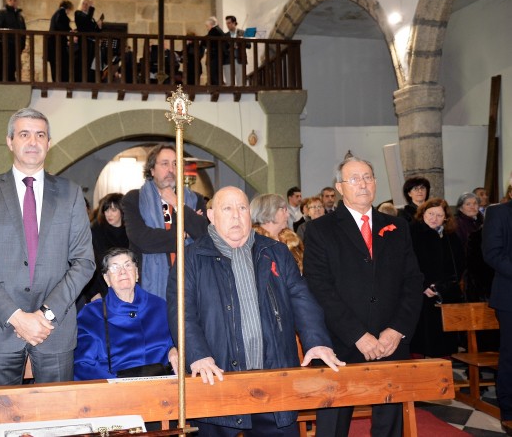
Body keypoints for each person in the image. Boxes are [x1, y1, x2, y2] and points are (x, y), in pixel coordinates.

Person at [167, 186, 343, 436]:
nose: (236, 215)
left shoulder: (275, 251)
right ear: (211, 215)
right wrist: (198, 355)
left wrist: (316, 341)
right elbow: (181, 311)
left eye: (242, 208)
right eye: (227, 208)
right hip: (217, 375)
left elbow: (301, 297)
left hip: (274, 376)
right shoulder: (191, 258)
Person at [0, 108, 95, 386]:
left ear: (49, 143)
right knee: (0, 418)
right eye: (24, 134)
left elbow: (84, 262)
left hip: (54, 327)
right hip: (0, 325)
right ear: (10, 141)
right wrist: (17, 317)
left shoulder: (70, 192)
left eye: (40, 135)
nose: (33, 142)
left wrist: (45, 315)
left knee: (59, 420)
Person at [303, 156, 423, 437]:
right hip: (341, 344)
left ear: (376, 183)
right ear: (340, 187)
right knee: (333, 425)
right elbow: (319, 288)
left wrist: (396, 330)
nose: (363, 184)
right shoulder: (321, 229)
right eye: (354, 178)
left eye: (368, 177)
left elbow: (412, 281)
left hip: (389, 343)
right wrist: (357, 334)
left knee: (389, 424)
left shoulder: (397, 227)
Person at [74, 248, 177, 380]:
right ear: (107, 280)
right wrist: (116, 386)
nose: (123, 272)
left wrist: (174, 349)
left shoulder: (159, 306)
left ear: (137, 273)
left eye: (128, 265)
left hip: (161, 385)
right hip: (114, 390)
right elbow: (82, 364)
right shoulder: (91, 314)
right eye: (115, 268)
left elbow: (176, 340)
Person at [122, 144, 208, 299]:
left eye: (175, 164)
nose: (171, 169)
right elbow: (143, 240)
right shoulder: (134, 199)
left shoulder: (195, 199)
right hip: (147, 287)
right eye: (165, 163)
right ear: (152, 170)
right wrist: (185, 233)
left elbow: (204, 234)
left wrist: (177, 203)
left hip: (190, 285)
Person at [409, 198, 464, 358]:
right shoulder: (413, 233)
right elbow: (408, 263)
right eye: (430, 214)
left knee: (444, 343)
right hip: (419, 294)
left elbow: (458, 265)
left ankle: (443, 377)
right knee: (420, 340)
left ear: (446, 218)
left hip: (445, 294)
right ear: (422, 214)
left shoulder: (450, 236)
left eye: (439, 215)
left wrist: (441, 286)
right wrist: (424, 286)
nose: (434, 218)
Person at [482, 192, 512, 433]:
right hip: (510, 297)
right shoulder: (499, 212)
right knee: (511, 355)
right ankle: (510, 411)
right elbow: (492, 253)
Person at [78, 193, 129, 307]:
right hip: (102, 290)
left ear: (122, 211)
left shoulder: (131, 233)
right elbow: (88, 264)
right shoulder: (95, 232)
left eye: (114, 210)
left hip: (127, 288)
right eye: (106, 210)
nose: (109, 214)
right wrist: (93, 292)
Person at [0, 0, 27, 82]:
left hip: (16, 45)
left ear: (17, 2)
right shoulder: (2, 13)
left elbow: (23, 31)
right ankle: (6, 80)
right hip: (5, 45)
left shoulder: (20, 16)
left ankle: (12, 79)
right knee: (6, 64)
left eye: (14, 0)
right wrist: (3, 40)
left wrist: (22, 44)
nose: (12, 2)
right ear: (7, 1)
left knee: (14, 65)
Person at [74, 0, 103, 83]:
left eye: (87, 4)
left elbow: (95, 31)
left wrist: (99, 26)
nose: (86, 6)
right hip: (84, 42)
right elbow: (85, 25)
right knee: (84, 62)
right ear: (81, 4)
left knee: (92, 64)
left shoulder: (90, 18)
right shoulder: (78, 13)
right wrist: (91, 8)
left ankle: (90, 81)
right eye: (84, 3)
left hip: (92, 42)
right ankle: (82, 82)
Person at [48, 0, 75, 82]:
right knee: (60, 66)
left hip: (54, 44)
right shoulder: (61, 11)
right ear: (68, 8)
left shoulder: (58, 12)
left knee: (57, 67)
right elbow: (60, 24)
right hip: (56, 45)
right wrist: (69, 31)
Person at [224, 15, 249, 86]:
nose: (227, 25)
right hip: (228, 60)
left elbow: (249, 45)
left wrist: (242, 41)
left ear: (234, 23)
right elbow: (223, 49)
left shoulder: (242, 32)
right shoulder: (225, 35)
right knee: (229, 83)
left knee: (240, 82)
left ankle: (240, 95)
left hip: (240, 59)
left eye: (229, 23)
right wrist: (231, 48)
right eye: (226, 23)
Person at [204, 16, 228, 86]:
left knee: (213, 72)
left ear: (211, 25)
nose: (207, 28)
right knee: (215, 72)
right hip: (216, 55)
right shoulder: (217, 30)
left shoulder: (214, 30)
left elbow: (206, 40)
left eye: (207, 26)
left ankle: (215, 86)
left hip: (215, 55)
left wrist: (200, 40)